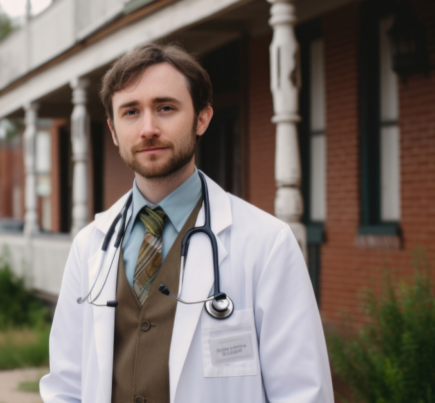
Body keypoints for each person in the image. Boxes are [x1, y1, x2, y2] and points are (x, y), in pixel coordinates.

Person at [39, 43, 333, 403]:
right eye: (131, 112)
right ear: (114, 131)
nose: (148, 129)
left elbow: (302, 393)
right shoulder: (90, 245)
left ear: (202, 118)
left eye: (165, 108)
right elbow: (66, 387)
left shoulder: (266, 242)